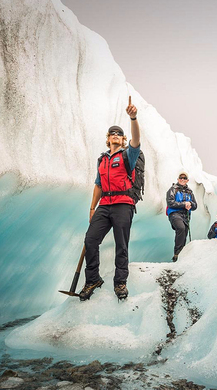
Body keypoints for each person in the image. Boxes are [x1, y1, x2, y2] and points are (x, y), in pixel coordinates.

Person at [79, 96, 140, 301]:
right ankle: (93, 279)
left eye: (119, 134)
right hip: (105, 204)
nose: (116, 135)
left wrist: (133, 119)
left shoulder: (127, 155)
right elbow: (98, 184)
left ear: (122, 139)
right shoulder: (102, 160)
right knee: (90, 240)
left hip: (123, 203)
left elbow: (136, 141)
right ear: (108, 138)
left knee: (121, 244)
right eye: (112, 133)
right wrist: (92, 208)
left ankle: (120, 282)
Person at [166, 172, 197, 262]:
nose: (182, 179)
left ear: (187, 180)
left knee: (184, 234)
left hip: (186, 216)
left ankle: (180, 255)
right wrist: (184, 204)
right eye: (181, 178)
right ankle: (177, 253)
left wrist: (190, 203)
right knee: (181, 228)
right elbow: (170, 202)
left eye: (184, 178)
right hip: (174, 213)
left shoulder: (190, 192)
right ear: (178, 179)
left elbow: (195, 206)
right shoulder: (172, 189)